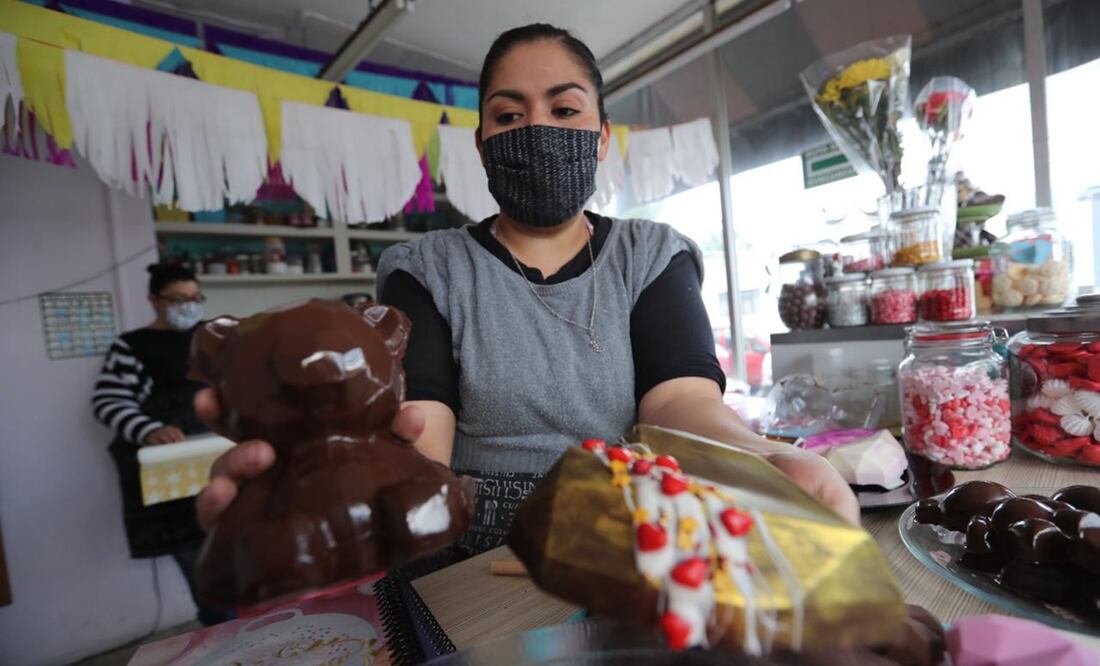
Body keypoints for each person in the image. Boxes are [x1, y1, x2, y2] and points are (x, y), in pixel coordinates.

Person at [195, 24, 858, 569]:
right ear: (483, 145)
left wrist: (768, 457)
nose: (537, 128)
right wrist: (343, 494)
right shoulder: (426, 270)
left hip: (629, 536)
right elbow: (424, 435)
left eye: (564, 110)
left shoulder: (650, 255)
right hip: (468, 549)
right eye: (509, 115)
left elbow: (682, 402)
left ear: (600, 138)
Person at [92, 264, 233, 625]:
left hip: (226, 466)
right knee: (205, 574)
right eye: (177, 299)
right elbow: (108, 400)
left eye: (195, 298)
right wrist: (148, 428)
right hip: (176, 479)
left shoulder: (215, 338)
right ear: (153, 300)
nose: (188, 306)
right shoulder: (132, 346)